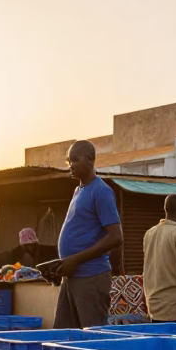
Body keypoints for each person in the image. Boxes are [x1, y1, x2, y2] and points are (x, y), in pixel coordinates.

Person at [54, 139, 123, 329]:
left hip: (90, 277)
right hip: (71, 277)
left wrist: (75, 259)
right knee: (64, 336)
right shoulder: (79, 190)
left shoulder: (101, 191)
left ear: (90, 160)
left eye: (75, 159)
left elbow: (116, 236)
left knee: (93, 337)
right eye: (69, 161)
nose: (71, 165)